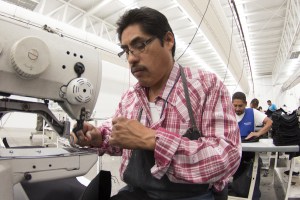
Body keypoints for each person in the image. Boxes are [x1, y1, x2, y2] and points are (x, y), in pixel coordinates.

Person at [71, 7, 241, 200]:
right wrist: (98, 137)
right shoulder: (130, 97)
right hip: (137, 193)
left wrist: (152, 140)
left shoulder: (206, 86)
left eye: (140, 45)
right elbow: (116, 134)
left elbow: (227, 157)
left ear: (168, 40)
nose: (132, 58)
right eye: (126, 50)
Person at [231, 92, 273, 199]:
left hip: (249, 153)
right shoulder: (228, 113)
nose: (237, 108)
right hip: (233, 153)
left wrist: (258, 133)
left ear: (245, 103)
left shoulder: (253, 112)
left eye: (240, 106)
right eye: (235, 105)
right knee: (236, 179)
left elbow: (269, 122)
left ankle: (252, 195)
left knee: (252, 177)